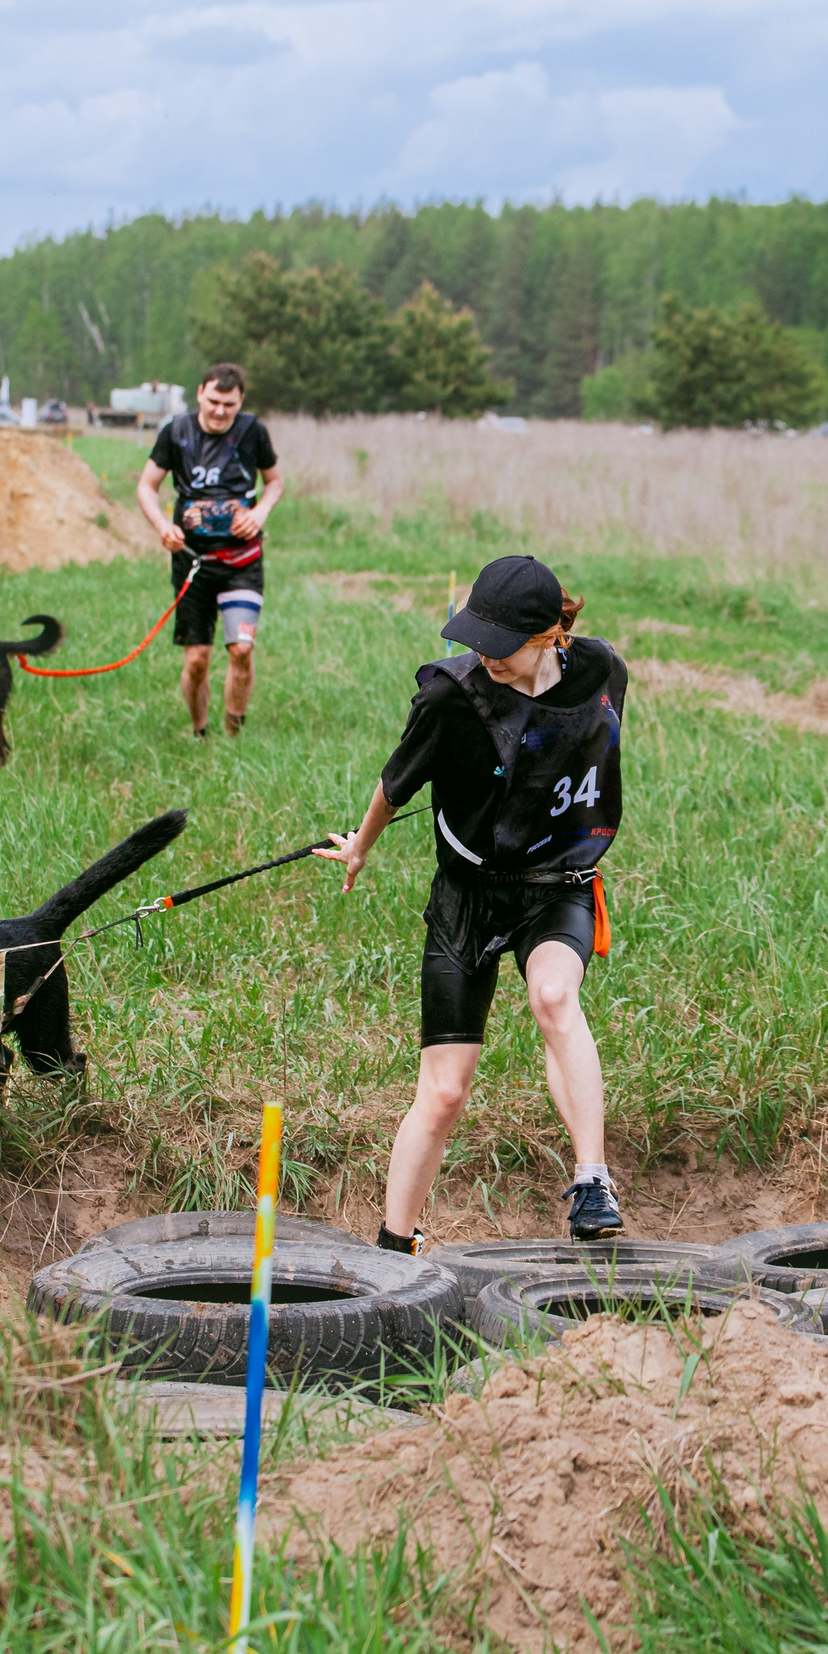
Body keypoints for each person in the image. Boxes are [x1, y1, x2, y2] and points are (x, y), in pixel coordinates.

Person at [316, 555, 628, 1249]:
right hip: (466, 896)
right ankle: (396, 1244)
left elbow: (586, 750)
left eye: (500, 641)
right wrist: (361, 848)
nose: (482, 653)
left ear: (551, 633)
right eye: (474, 636)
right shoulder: (451, 696)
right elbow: (394, 785)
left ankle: (593, 1182)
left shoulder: (603, 672)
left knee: (553, 996)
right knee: (446, 1090)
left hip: (555, 885)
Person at [135, 363, 284, 738]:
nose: (220, 411)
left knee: (241, 650)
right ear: (200, 392)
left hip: (242, 561)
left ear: (240, 402)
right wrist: (162, 527)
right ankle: (200, 733)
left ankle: (235, 733)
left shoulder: (253, 432)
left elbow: (275, 481)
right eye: (214, 401)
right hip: (192, 563)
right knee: (198, 658)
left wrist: (260, 512)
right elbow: (146, 486)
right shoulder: (176, 432)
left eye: (229, 405)